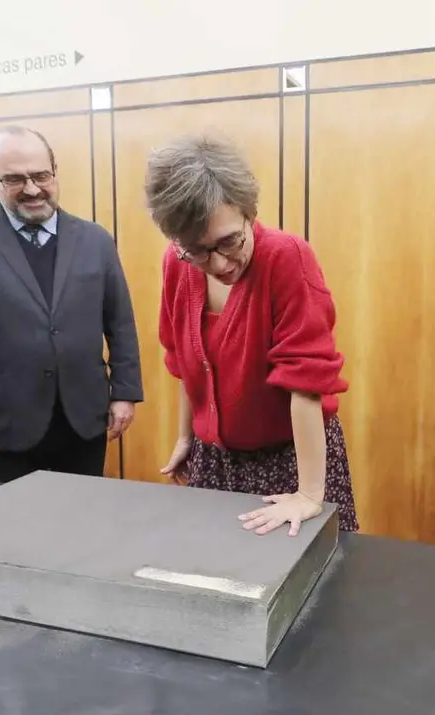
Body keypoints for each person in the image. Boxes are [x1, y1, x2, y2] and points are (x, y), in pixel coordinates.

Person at [147, 134, 358, 537]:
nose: (219, 264)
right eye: (198, 250)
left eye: (230, 242)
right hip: (215, 459)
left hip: (290, 461)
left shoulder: (285, 257)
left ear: (248, 211)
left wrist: (309, 495)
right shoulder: (176, 262)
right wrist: (187, 437)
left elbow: (306, 381)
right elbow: (184, 363)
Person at [0, 125, 143, 482]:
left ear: (55, 171)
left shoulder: (95, 240)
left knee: (82, 512)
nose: (33, 189)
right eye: (15, 179)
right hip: (0, 429)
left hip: (84, 421)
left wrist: (125, 393)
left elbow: (120, 324)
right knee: (8, 518)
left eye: (41, 176)